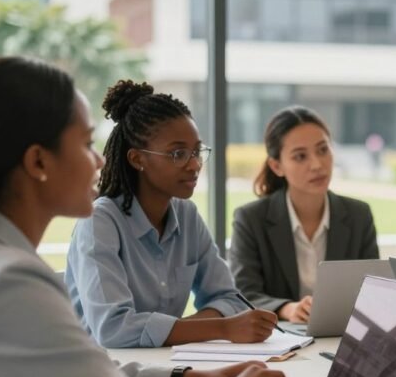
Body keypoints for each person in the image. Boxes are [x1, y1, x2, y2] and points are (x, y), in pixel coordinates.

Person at [0, 57, 293, 377]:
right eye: (86, 144)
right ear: (38, 163)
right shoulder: (11, 284)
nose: (98, 162)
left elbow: (88, 372)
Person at [66, 80, 277, 348]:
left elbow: (230, 299)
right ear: (137, 159)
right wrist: (222, 328)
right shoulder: (99, 222)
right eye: (178, 153)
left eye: (196, 151)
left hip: (167, 367)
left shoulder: (186, 215)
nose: (194, 164)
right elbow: (114, 329)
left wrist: (187, 330)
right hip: (103, 373)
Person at [228, 106, 379, 322]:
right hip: (278, 343)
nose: (317, 165)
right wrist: (286, 309)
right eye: (300, 156)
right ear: (277, 166)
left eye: (323, 150)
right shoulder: (251, 219)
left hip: (338, 338)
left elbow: (373, 292)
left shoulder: (358, 215)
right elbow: (243, 294)